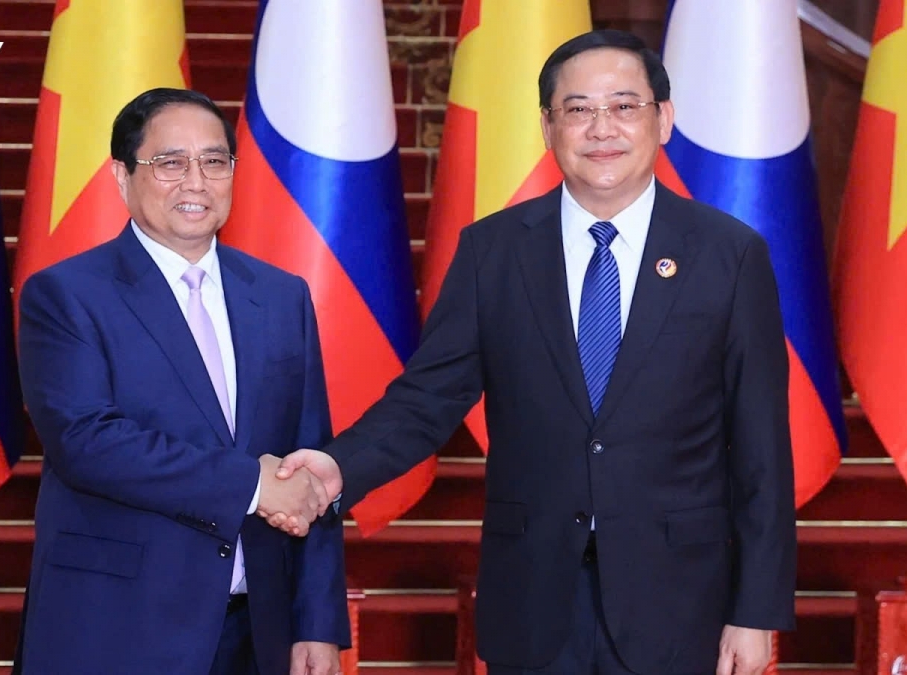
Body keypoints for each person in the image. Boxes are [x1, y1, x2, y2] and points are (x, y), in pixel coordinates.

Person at [273, 29, 796, 675]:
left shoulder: (730, 255)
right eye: (578, 109)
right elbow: (426, 400)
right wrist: (336, 467)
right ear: (548, 126)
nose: (601, 127)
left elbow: (762, 450)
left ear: (663, 118)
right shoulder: (493, 251)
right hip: (534, 597)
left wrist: (756, 610)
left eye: (624, 106)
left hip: (681, 599)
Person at [15, 87, 349, 675]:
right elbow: (87, 443)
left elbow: (310, 459)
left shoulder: (280, 296)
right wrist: (251, 484)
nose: (196, 181)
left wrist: (317, 621)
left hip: (259, 630)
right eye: (170, 163)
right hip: (119, 627)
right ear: (122, 176)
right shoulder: (66, 295)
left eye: (215, 161)